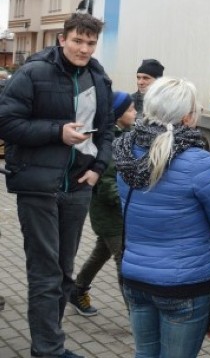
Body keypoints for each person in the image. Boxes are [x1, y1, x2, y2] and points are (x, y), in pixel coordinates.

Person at [0, 13, 114, 358]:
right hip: (38, 187)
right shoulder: (33, 72)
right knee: (46, 273)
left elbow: (106, 130)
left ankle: (49, 343)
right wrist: (57, 132)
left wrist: (97, 168)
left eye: (90, 43)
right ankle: (48, 350)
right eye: (78, 41)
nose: (84, 48)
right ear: (62, 39)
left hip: (78, 187)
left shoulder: (99, 77)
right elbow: (6, 122)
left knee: (64, 273)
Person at [116, 77, 210, 358]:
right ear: (186, 116)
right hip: (184, 284)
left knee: (145, 354)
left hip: (135, 277)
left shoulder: (124, 150)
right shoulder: (198, 160)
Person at [70, 91, 136, 317]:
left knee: (102, 252)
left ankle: (77, 289)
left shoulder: (126, 136)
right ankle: (137, 315)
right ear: (118, 115)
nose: (135, 113)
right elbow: (108, 184)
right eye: (130, 109)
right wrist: (129, 204)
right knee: (123, 261)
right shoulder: (110, 143)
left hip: (117, 213)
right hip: (110, 213)